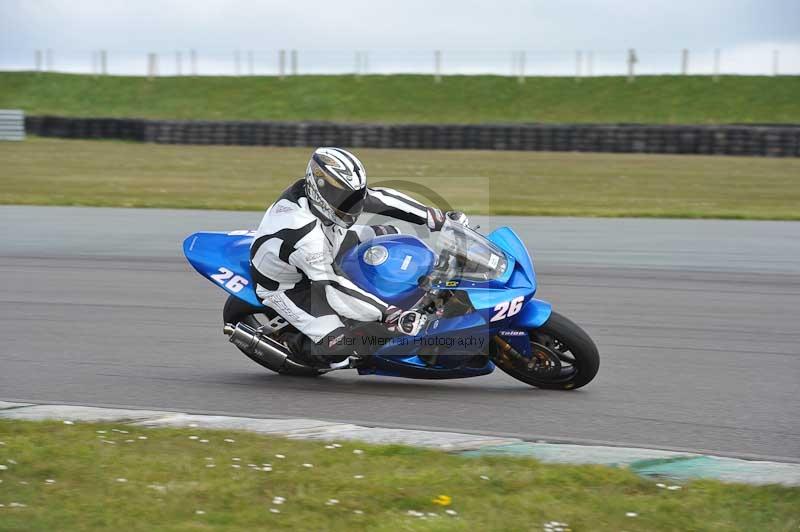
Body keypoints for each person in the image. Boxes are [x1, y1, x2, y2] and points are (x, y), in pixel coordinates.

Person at [249, 147, 466, 367]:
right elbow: (333, 287)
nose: (353, 204)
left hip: (330, 238)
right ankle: (291, 344)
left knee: (391, 234)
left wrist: (437, 218)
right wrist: (389, 315)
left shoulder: (333, 198)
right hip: (290, 285)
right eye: (345, 198)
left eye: (354, 196)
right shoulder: (304, 235)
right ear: (319, 190)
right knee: (339, 347)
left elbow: (382, 199)